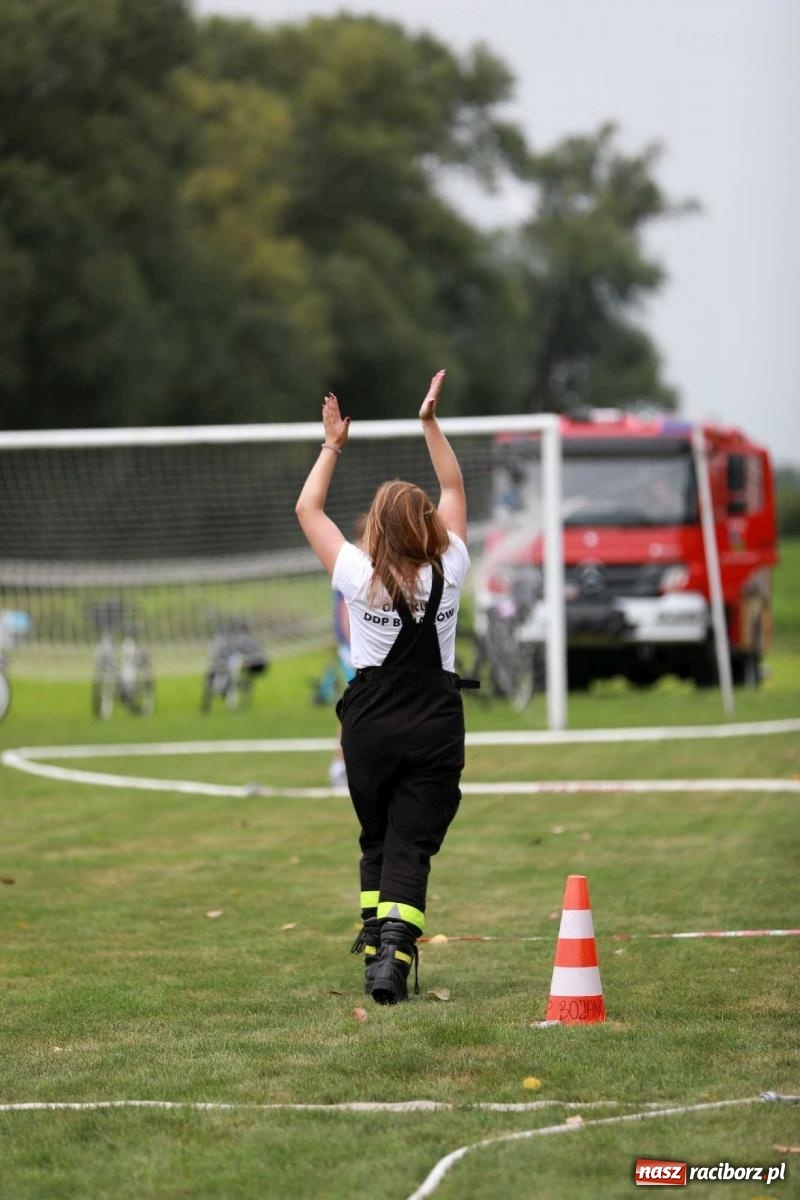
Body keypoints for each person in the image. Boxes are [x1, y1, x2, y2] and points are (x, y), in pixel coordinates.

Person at [295, 370, 473, 1004]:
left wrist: (333, 446)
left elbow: (307, 510)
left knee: (377, 835)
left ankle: (377, 945)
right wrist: (428, 421)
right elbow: (453, 483)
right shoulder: (451, 562)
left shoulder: (355, 571)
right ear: (426, 524)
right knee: (411, 843)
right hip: (434, 720)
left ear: (376, 527)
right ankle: (393, 952)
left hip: (368, 722)